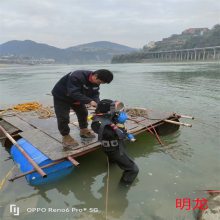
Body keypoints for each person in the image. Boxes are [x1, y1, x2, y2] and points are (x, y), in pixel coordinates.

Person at [52, 69, 113, 148]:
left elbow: (95, 93)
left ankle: (83, 130)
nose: (100, 84)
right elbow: (73, 92)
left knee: (83, 113)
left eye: (102, 83)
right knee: (63, 117)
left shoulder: (95, 82)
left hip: (78, 98)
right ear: (95, 76)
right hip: (62, 97)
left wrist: (98, 103)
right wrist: (90, 101)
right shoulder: (76, 76)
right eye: (100, 82)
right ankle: (66, 136)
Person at [91, 99, 139, 185]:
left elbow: (120, 130)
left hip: (115, 146)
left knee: (113, 161)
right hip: (113, 149)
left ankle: (111, 167)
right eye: (115, 109)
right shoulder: (97, 123)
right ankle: (122, 189)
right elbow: (117, 135)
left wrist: (126, 132)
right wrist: (120, 124)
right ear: (107, 110)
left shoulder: (109, 117)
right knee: (133, 170)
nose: (117, 112)